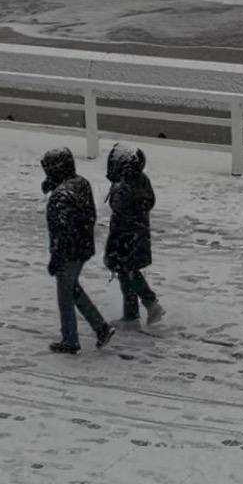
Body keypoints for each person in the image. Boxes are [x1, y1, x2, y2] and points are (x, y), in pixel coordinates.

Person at [40, 147, 115, 353]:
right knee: (72, 289)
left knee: (65, 295)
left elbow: (61, 234)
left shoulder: (60, 197)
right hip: (82, 247)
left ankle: (71, 339)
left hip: (68, 252)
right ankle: (100, 328)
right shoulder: (81, 183)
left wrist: (56, 258)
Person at [104, 144, 165, 328]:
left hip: (126, 238)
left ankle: (148, 305)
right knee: (127, 274)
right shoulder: (139, 181)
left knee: (129, 274)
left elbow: (119, 208)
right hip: (135, 237)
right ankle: (133, 313)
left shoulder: (126, 187)